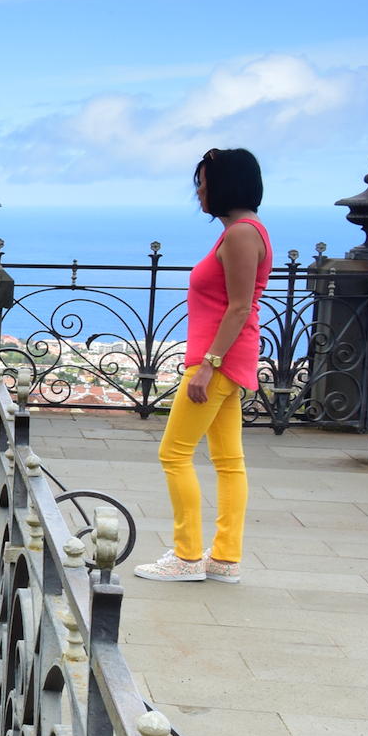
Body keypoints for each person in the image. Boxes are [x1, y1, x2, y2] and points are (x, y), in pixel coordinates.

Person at [136, 148, 271, 584]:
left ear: (224, 183)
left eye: (203, 181)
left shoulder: (240, 235)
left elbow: (239, 307)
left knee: (173, 454)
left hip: (218, 362)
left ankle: (187, 556)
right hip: (231, 359)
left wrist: (209, 365)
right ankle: (224, 558)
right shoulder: (244, 231)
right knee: (229, 460)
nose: (198, 191)